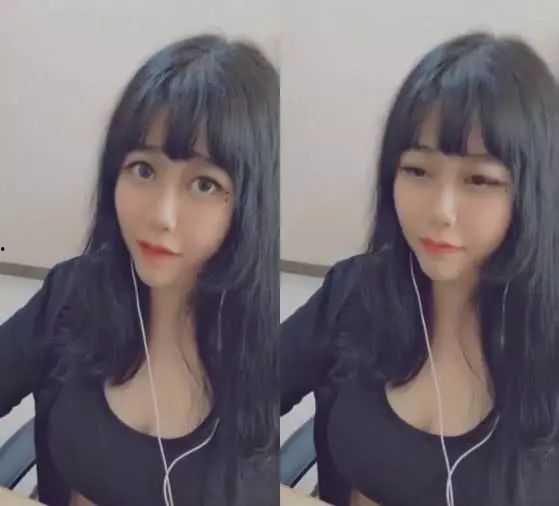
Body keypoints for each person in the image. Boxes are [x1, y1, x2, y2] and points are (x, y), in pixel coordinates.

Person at [281, 32, 559, 506]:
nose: (440, 211)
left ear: (534, 190)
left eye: (479, 180)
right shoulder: (355, 291)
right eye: (417, 171)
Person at [0, 33, 279, 506]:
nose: (161, 216)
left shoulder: (271, 349)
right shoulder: (74, 293)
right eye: (144, 170)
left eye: (205, 184)